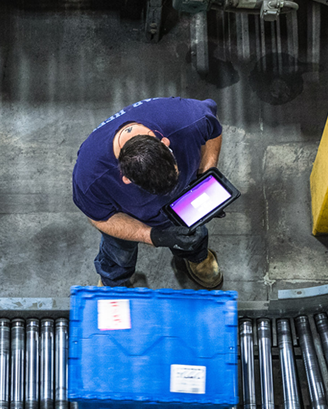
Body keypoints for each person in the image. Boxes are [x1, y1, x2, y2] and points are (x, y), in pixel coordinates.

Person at [72, 97, 224, 288]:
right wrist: (151, 236)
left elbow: (212, 130)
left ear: (166, 143)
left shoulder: (187, 118)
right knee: (118, 254)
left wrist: (206, 177)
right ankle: (114, 280)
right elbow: (100, 218)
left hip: (185, 200)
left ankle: (197, 258)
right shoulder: (90, 175)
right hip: (129, 214)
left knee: (193, 236)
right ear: (125, 178)